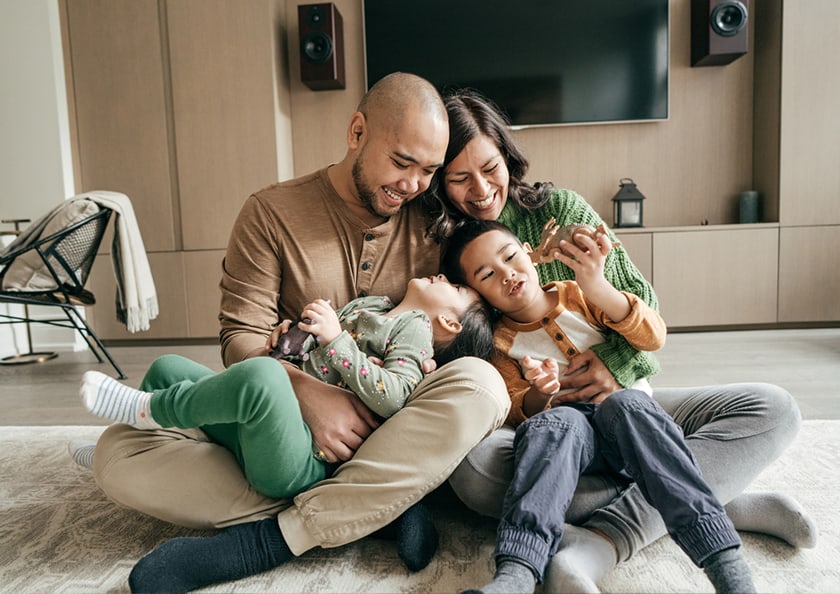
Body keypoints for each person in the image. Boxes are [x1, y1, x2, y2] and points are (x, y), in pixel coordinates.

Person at [84, 73, 510, 593]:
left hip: (386, 436)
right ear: (357, 132)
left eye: (428, 171)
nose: (414, 185)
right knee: (117, 454)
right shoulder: (270, 213)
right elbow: (240, 337)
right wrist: (304, 391)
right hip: (286, 434)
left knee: (482, 385)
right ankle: (380, 507)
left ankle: (277, 537)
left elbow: (486, 295)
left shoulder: (433, 218)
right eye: (401, 163)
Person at [427, 89, 816, 592]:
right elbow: (487, 371)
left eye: (491, 167)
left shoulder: (560, 216)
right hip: (552, 423)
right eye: (459, 179)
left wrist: (610, 360)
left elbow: (645, 313)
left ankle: (602, 542)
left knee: (773, 408)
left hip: (628, 403)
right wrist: (539, 394)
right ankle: (718, 498)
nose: (480, 190)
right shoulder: (440, 246)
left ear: (508, 155)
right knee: (477, 474)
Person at [443, 219, 756, 594]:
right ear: (480, 295)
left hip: (632, 427)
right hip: (575, 449)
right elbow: (514, 406)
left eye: (510, 257)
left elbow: (652, 335)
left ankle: (727, 568)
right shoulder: (500, 345)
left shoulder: (578, 295)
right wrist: (541, 392)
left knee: (626, 405)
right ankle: (516, 577)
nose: (508, 274)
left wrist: (598, 285)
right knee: (555, 424)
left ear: (528, 252)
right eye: (488, 275)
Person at [80, 273, 494, 502]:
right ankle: (134, 438)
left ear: (450, 324)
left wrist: (335, 340)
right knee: (168, 367)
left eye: (454, 287)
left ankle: (148, 413)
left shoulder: (413, 330)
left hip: (301, 461)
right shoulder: (373, 307)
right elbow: (304, 357)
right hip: (269, 426)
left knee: (261, 379)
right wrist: (289, 340)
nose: (442, 275)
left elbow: (394, 396)